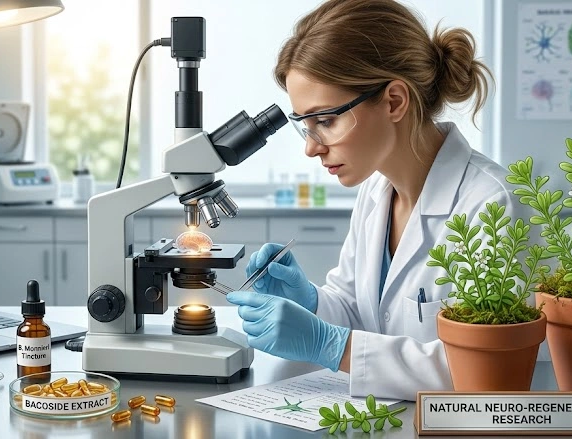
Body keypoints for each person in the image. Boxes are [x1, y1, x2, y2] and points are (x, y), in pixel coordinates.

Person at [226, 0, 532, 401]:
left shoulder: (494, 205)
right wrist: (312, 303)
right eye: (306, 125)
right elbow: (360, 313)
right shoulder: (378, 190)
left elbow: (487, 369)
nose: (312, 148)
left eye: (327, 120)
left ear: (394, 101)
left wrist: (332, 345)